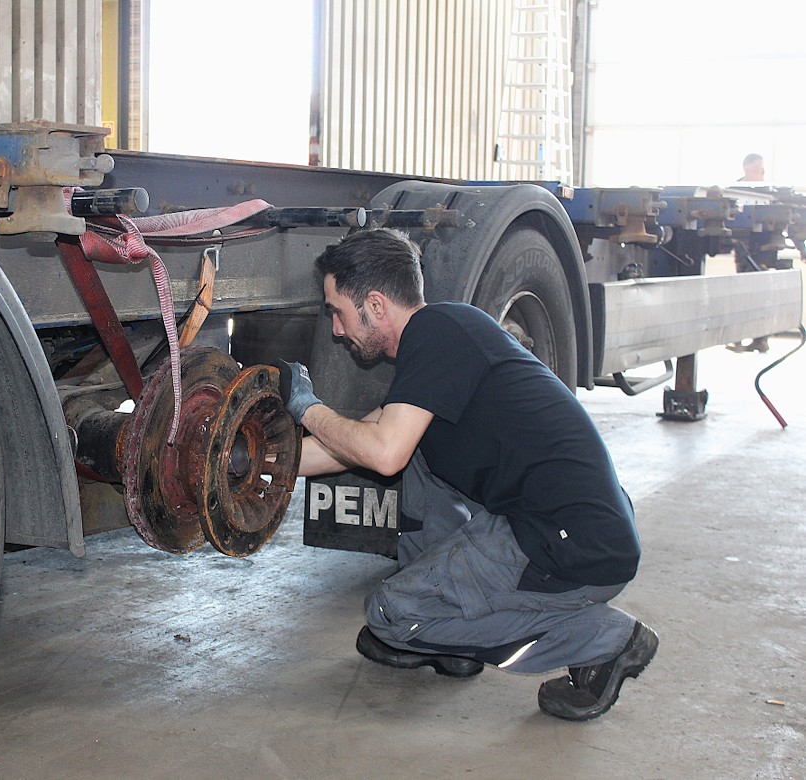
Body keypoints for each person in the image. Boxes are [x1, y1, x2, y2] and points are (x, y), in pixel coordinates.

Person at [279, 227, 657, 721]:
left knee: (391, 616)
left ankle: (604, 639)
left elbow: (383, 453)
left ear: (374, 305)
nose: (336, 329)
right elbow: (356, 443)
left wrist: (306, 408)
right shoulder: (445, 338)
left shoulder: (438, 333)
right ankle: (452, 630)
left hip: (564, 547)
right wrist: (257, 466)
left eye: (338, 312)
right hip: (564, 528)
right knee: (416, 456)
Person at [729, 152, 773, 353]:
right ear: (747, 169)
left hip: (764, 249)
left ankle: (761, 338)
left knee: (763, 295)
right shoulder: (735, 192)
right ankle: (737, 339)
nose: (763, 173)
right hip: (745, 250)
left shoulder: (768, 192)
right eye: (759, 169)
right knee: (743, 295)